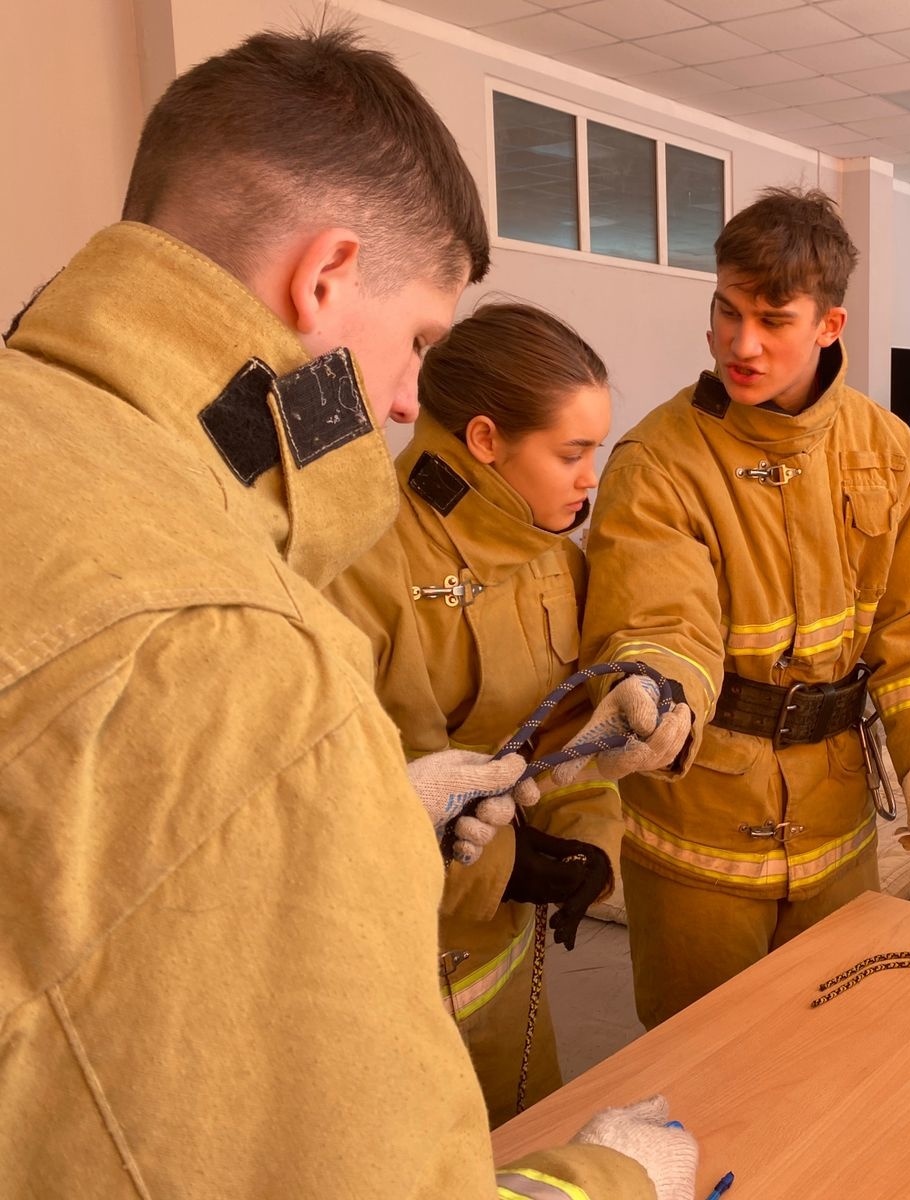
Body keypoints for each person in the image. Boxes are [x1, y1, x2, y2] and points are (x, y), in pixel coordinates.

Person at [0, 28, 693, 1198]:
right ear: (323, 278)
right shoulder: (243, 641)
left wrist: (372, 808)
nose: (404, 398)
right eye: (418, 338)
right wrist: (616, 1181)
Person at [576, 187, 910, 1031]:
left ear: (831, 325)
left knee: (835, 1047)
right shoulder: (659, 459)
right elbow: (658, 618)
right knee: (702, 1060)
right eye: (726, 311)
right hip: (701, 817)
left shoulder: (889, 452)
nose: (740, 343)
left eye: (773, 319)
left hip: (835, 817)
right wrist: (657, 692)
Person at [326, 303, 682, 1125]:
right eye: (572, 452)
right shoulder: (361, 557)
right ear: (486, 440)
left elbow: (563, 738)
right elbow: (363, 792)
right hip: (399, 982)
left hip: (507, 967)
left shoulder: (552, 551)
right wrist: (504, 868)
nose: (593, 475)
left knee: (530, 1133)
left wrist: (589, 837)